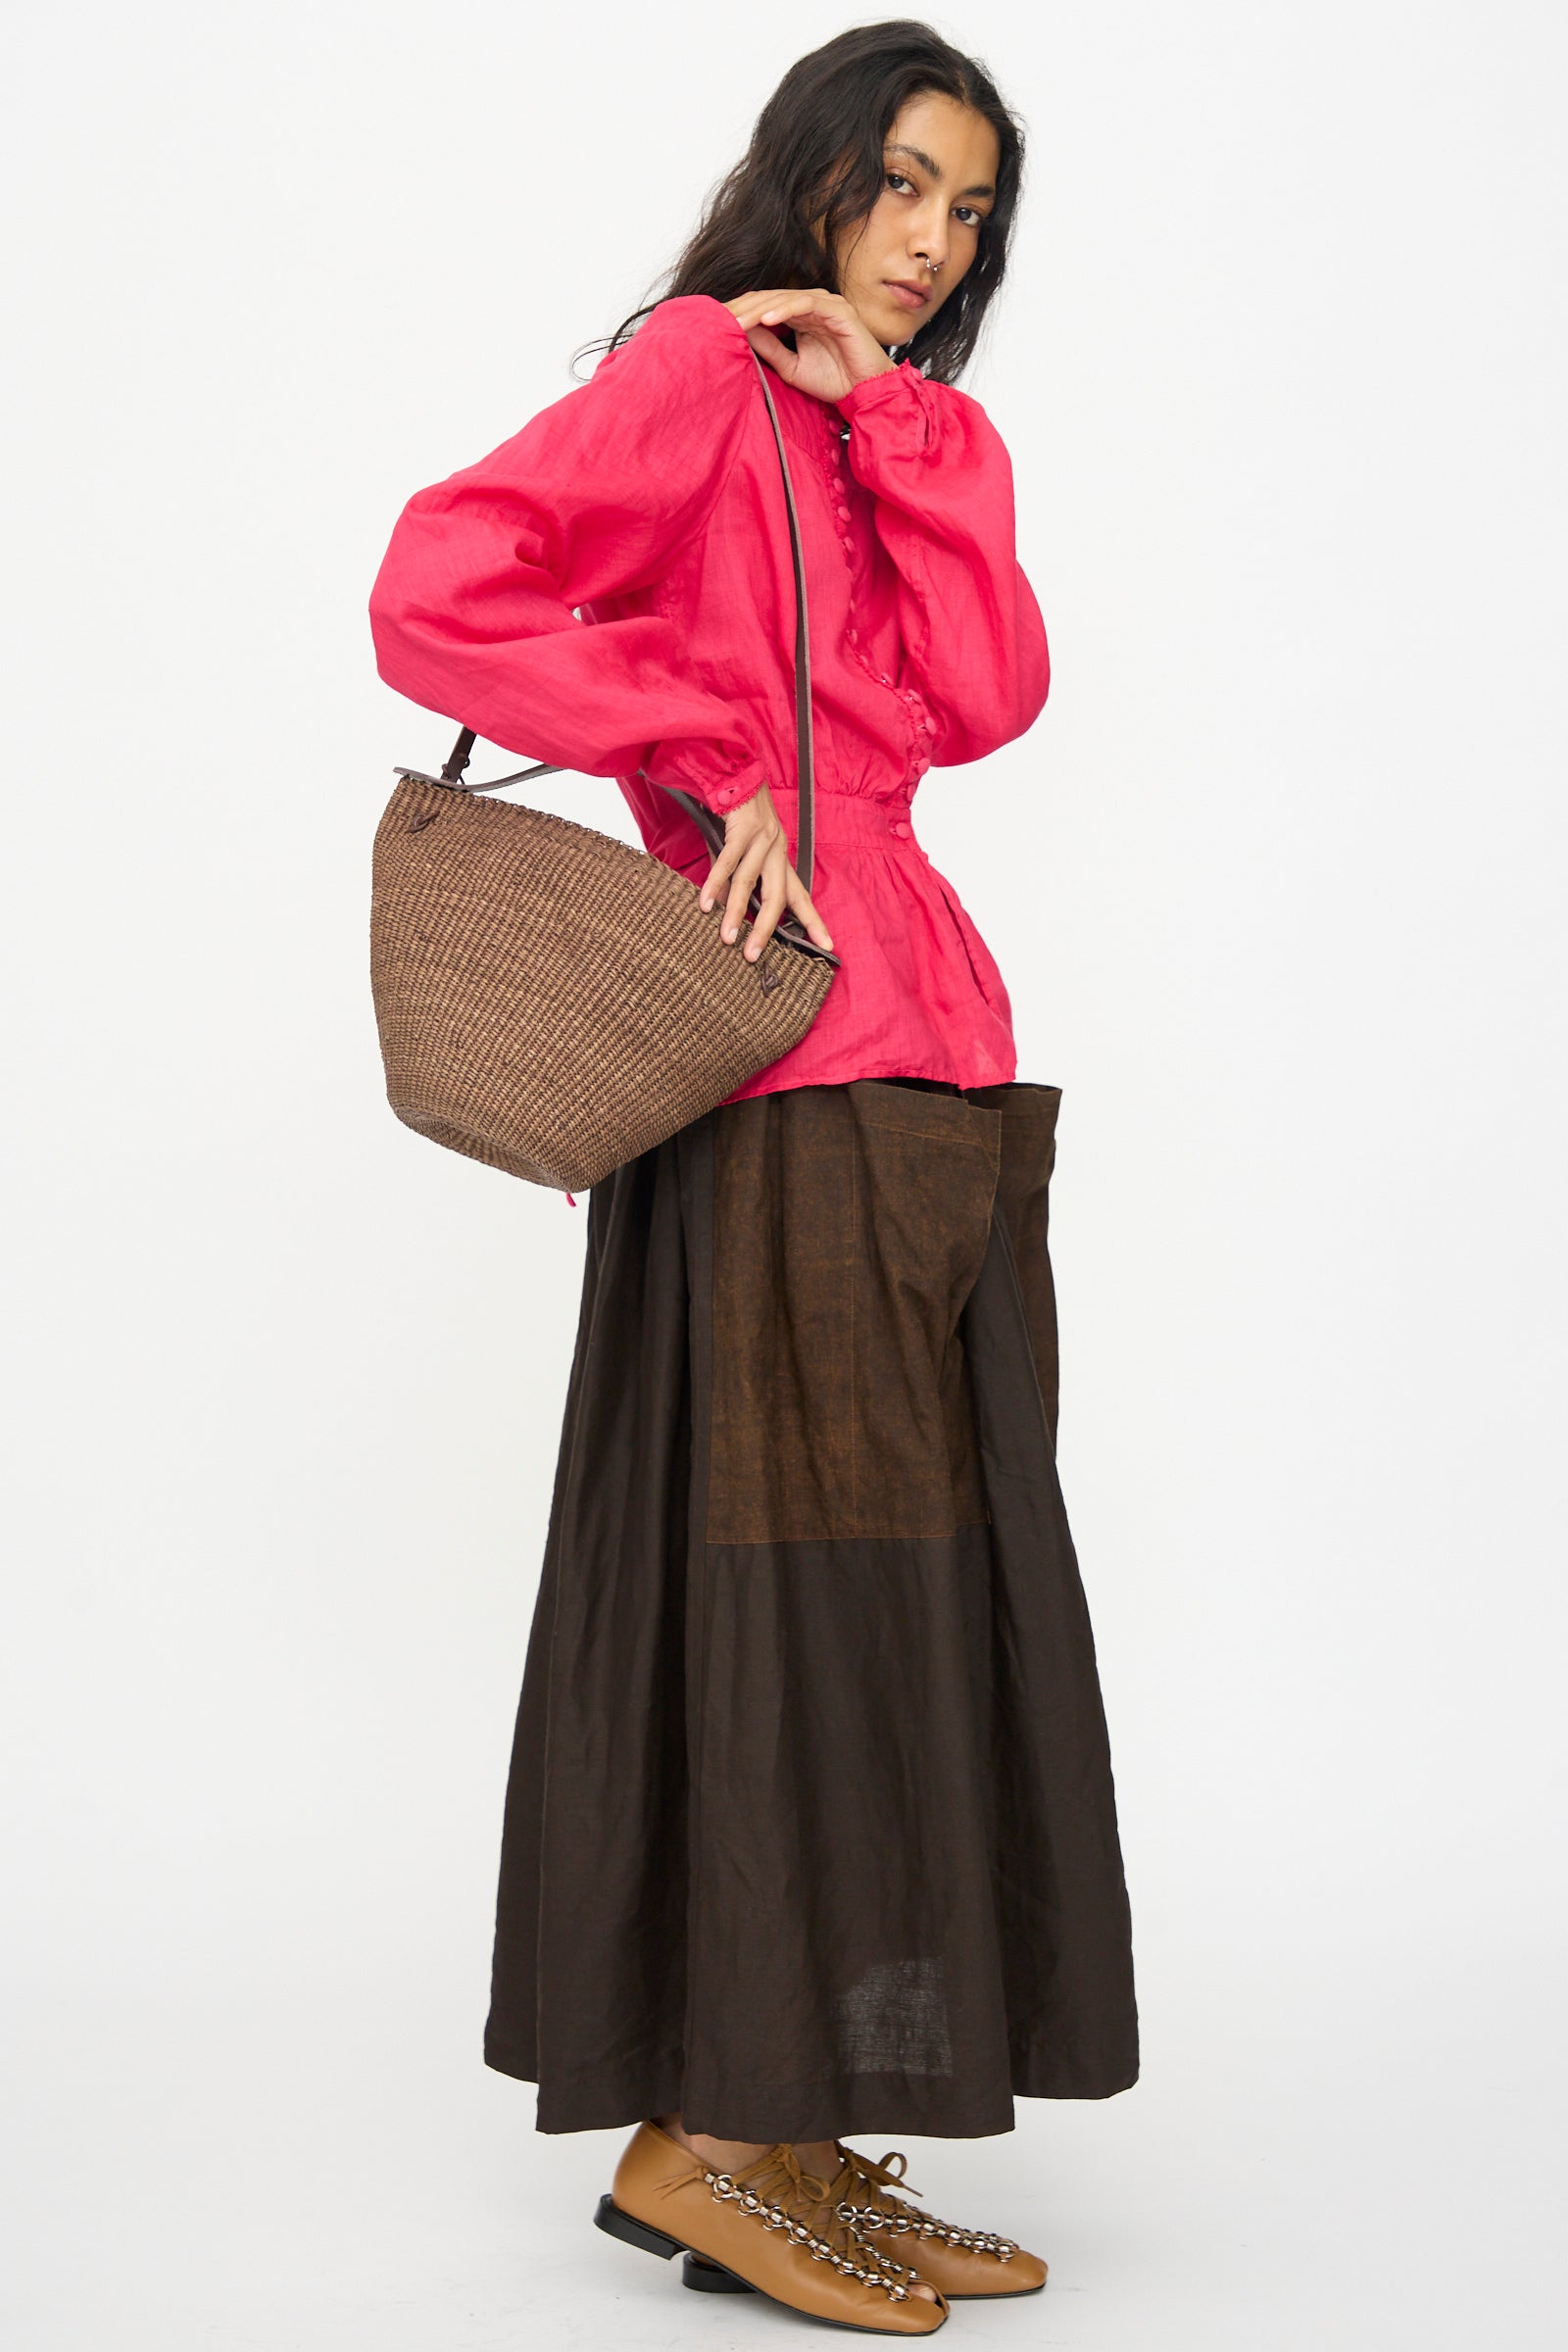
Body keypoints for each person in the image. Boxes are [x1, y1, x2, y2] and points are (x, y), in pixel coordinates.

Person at [368, 21, 1138, 2335]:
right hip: (783, 1071)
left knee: (895, 1608)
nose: (926, 239)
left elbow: (986, 686)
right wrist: (703, 754)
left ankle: (795, 2125)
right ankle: (698, 2140)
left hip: (925, 1059)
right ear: (807, 175)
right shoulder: (695, 378)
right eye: (895, 183)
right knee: (799, 1612)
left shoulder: (884, 419)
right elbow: (438, 581)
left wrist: (891, 414)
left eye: (968, 208)